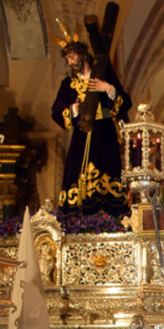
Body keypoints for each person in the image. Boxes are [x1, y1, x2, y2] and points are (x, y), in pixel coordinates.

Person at [51, 40, 131, 216]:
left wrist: (108, 88)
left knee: (107, 168)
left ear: (83, 54)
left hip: (105, 132)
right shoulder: (68, 84)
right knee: (78, 173)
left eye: (72, 57)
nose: (70, 62)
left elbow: (125, 101)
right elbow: (56, 111)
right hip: (81, 135)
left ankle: (111, 213)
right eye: (67, 59)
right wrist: (73, 110)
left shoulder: (104, 75)